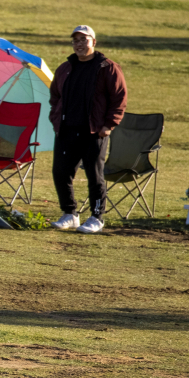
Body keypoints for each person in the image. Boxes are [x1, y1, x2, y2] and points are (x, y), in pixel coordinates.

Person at [48, 25, 128, 235]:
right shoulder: (65, 68)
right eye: (75, 40)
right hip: (66, 129)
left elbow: (119, 99)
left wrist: (108, 125)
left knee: (95, 175)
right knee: (60, 172)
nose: (79, 44)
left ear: (94, 42)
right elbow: (55, 95)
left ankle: (97, 217)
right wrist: (56, 117)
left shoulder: (107, 68)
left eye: (84, 40)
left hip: (94, 131)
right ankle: (70, 214)